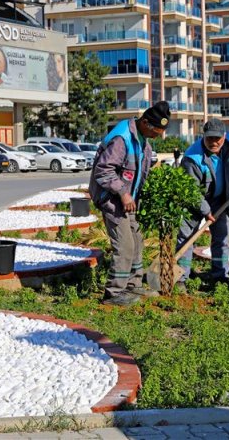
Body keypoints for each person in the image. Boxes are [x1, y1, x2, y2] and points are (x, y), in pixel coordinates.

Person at [89, 101, 171, 305]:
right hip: (111, 198)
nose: (158, 136)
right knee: (125, 245)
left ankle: (134, 285)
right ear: (145, 122)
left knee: (137, 241)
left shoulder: (142, 138)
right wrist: (124, 194)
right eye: (156, 131)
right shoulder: (122, 139)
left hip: (128, 200)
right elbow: (103, 170)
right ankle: (114, 293)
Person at [175, 118, 229, 289]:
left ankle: (220, 276)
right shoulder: (192, 158)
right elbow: (191, 191)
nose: (214, 142)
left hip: (220, 199)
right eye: (209, 138)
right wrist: (205, 211)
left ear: (224, 136)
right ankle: (181, 278)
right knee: (187, 238)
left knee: (222, 237)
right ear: (203, 136)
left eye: (217, 139)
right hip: (194, 200)